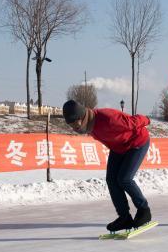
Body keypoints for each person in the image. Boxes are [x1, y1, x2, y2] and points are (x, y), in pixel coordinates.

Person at [62, 100, 152, 233]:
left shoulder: (108, 118)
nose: (74, 128)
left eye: (75, 123)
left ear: (82, 117)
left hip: (137, 142)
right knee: (111, 180)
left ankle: (144, 211)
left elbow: (133, 122)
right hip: (118, 148)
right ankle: (124, 218)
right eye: (71, 125)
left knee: (124, 179)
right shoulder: (88, 126)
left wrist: (147, 119)